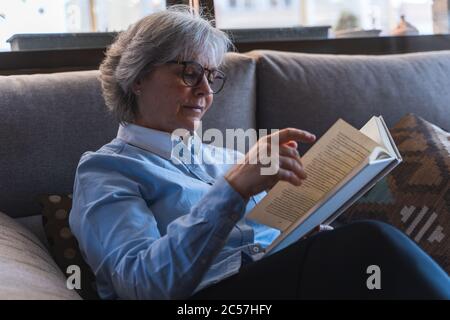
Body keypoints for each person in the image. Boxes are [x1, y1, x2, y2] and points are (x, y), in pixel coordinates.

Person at [69, 5, 450, 300]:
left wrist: (307, 232)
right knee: (369, 244)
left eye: (211, 75)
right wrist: (232, 190)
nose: (205, 90)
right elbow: (143, 286)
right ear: (136, 78)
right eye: (188, 73)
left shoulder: (223, 158)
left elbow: (272, 240)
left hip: (278, 282)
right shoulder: (107, 171)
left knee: (363, 258)